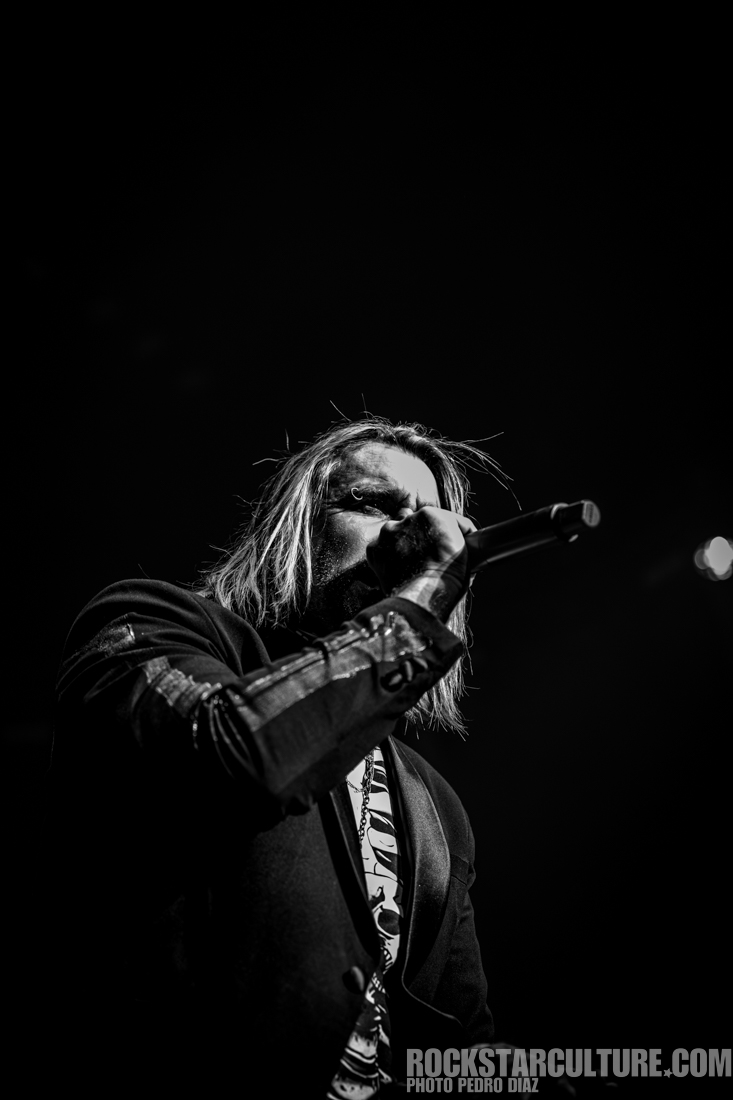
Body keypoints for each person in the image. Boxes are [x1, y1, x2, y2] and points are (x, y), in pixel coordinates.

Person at [44, 415, 505, 1096]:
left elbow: (456, 1045)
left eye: (426, 518)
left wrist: (558, 1076)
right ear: (294, 527)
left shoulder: (433, 809)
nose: (408, 537)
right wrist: (425, 594)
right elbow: (241, 753)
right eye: (372, 505)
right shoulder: (151, 624)